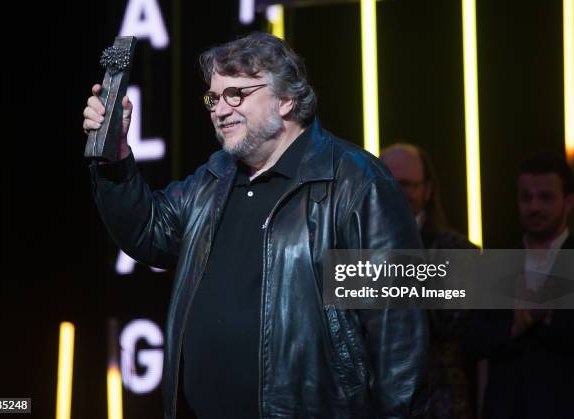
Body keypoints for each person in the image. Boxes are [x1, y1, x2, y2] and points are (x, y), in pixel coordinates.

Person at [83, 32, 428, 419]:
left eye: (237, 94)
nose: (220, 109)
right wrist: (115, 158)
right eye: (214, 97)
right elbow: (148, 232)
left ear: (286, 99)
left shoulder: (355, 182)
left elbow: (399, 335)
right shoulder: (213, 179)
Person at [472, 153, 574, 419]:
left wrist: (551, 316)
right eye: (526, 197)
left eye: (545, 197)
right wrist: (515, 325)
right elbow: (473, 339)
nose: (534, 206)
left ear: (569, 202)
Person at [381, 144, 477, 419]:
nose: (399, 192)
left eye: (407, 184)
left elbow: (454, 322)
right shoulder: (352, 247)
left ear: (428, 190)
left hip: (439, 403)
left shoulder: (457, 250)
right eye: (390, 183)